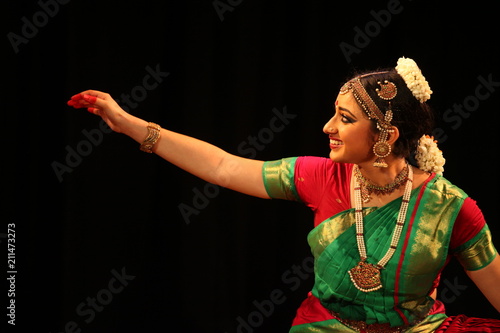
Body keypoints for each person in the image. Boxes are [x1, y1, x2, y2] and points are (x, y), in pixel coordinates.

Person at [67, 57, 500, 332]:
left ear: (386, 136)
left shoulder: (451, 209)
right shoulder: (321, 176)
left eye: (344, 118)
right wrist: (129, 124)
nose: (327, 127)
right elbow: (223, 166)